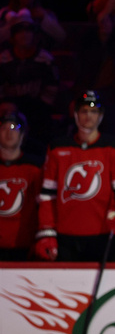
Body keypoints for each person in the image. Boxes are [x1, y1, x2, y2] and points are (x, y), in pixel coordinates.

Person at [34, 92, 115, 262]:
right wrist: (46, 233)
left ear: (101, 115)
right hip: (65, 236)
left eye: (94, 111)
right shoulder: (57, 148)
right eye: (84, 111)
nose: (89, 116)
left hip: (103, 234)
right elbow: (47, 195)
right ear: (75, 114)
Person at [0, 109, 42, 260]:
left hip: (23, 247)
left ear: (22, 134)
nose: (9, 133)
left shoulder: (35, 167)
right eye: (4, 128)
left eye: (14, 128)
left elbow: (43, 206)